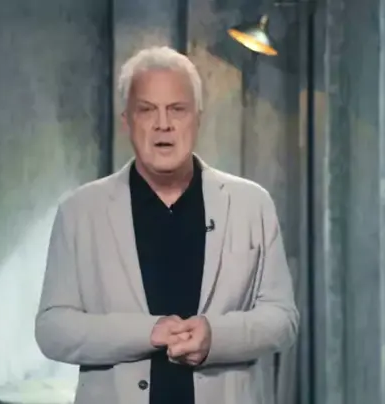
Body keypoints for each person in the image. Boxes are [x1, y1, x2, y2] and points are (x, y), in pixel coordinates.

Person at [34, 45, 299, 404]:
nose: (163, 124)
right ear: (127, 121)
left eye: (177, 109)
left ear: (198, 118)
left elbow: (282, 319)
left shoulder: (251, 204)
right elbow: (53, 330)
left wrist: (215, 336)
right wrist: (148, 332)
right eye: (147, 110)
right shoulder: (79, 211)